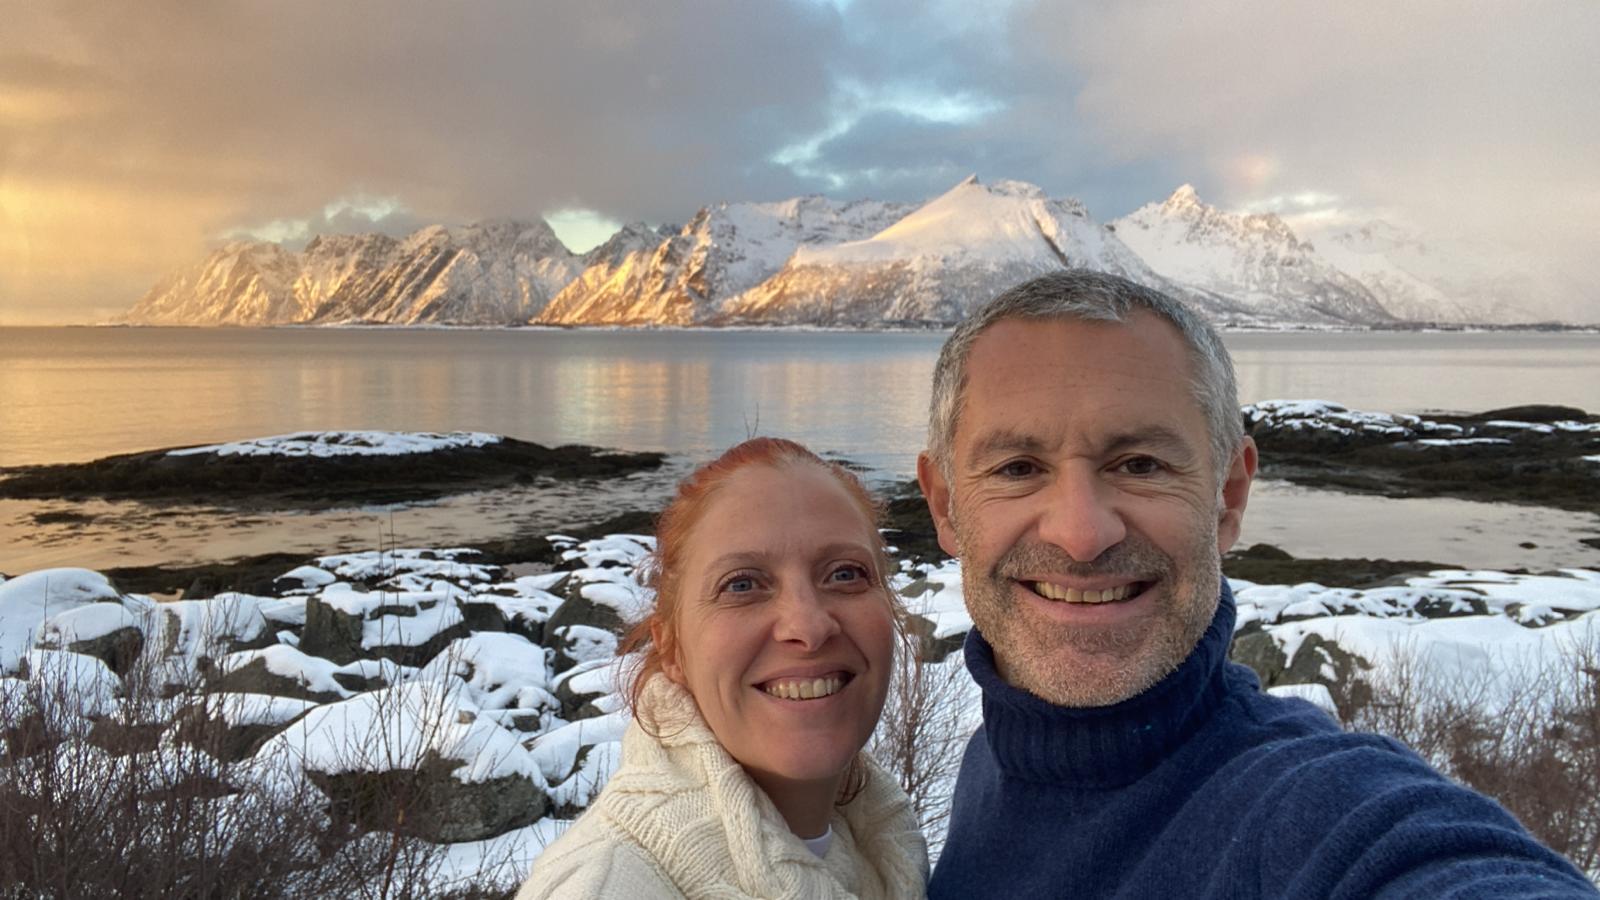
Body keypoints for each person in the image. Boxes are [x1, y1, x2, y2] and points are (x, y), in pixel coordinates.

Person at [916, 270, 1597, 898]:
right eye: (1017, 469)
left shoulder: (1313, 809)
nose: (1082, 534)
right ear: (945, 506)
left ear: (1229, 496)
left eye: (1141, 464)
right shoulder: (992, 766)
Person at [519, 437, 928, 899]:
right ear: (672, 649)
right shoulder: (606, 885)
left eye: (845, 574)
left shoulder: (883, 849)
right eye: (742, 584)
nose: (809, 627)